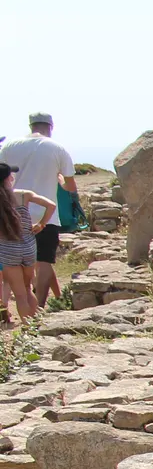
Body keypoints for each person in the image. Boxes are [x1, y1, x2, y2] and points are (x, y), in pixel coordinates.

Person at [0, 115, 76, 306]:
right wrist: (59, 181)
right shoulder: (57, 148)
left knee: (11, 263)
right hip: (46, 214)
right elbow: (70, 187)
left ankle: (7, 306)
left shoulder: (9, 146)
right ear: (51, 127)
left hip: (12, 213)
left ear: (30, 125)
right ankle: (40, 306)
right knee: (44, 261)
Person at [0, 164, 55, 324]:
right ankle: (35, 328)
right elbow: (51, 205)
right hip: (28, 247)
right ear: (8, 178)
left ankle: (26, 328)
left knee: (19, 295)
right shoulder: (23, 195)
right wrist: (41, 224)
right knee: (28, 288)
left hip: (7, 249)